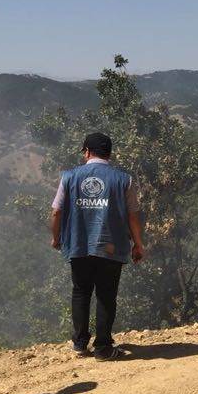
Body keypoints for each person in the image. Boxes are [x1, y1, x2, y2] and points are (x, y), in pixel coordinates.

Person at [50, 133, 145, 360]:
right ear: (109, 153)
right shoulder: (124, 179)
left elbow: (56, 211)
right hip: (110, 246)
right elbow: (133, 216)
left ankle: (80, 344)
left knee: (81, 292)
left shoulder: (69, 177)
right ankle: (103, 347)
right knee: (106, 294)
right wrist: (138, 245)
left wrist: (56, 238)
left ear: (86, 152)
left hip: (79, 245)